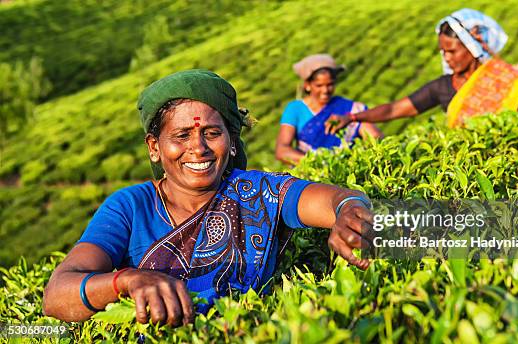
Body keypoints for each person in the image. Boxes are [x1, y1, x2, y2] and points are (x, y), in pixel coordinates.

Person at [43, 70, 373, 326]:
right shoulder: (129, 207)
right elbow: (58, 294)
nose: (198, 148)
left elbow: (337, 200)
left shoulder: (259, 192)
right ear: (155, 148)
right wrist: (127, 281)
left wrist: (349, 212)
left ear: (231, 142)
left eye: (212, 133)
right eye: (181, 135)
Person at [325, 8, 518, 134]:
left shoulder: (501, 79)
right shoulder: (443, 87)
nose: (446, 57)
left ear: (472, 47)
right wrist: (352, 117)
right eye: (443, 51)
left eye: (452, 51)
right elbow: (395, 109)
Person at [276, 54, 382, 165]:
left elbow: (376, 139)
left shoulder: (351, 109)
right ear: (307, 85)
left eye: (330, 84)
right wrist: (319, 163)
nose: (325, 90)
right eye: (319, 85)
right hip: (310, 175)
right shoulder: (295, 109)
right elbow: (282, 150)